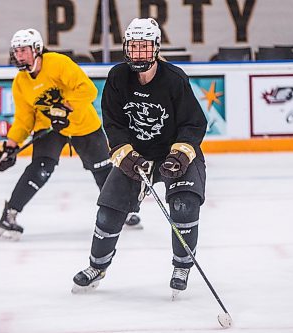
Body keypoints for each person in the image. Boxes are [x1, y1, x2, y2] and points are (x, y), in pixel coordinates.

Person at [72, 18, 207, 296]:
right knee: (108, 213)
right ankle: (97, 266)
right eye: (134, 47)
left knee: (184, 207)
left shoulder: (174, 78)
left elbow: (193, 123)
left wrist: (180, 155)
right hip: (136, 155)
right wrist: (126, 156)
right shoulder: (118, 77)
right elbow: (113, 123)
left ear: (156, 48)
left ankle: (181, 266)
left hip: (174, 153)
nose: (138, 54)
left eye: (145, 48)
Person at [0, 28, 141, 241]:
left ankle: (122, 210)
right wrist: (10, 144)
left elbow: (88, 89)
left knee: (102, 170)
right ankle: (10, 214)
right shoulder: (20, 82)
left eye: (23, 50)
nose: (19, 55)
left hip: (82, 124)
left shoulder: (58, 63)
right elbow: (24, 119)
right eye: (16, 51)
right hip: (50, 127)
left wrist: (65, 107)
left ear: (36, 49)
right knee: (39, 168)